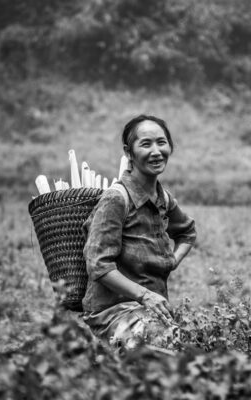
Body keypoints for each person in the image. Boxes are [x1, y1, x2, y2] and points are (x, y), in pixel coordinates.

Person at [81, 115, 196, 351]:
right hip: (111, 312)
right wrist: (145, 295)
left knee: (189, 347)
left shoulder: (163, 198)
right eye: (146, 144)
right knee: (161, 348)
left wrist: (172, 260)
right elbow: (99, 265)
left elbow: (187, 232)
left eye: (161, 142)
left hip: (149, 311)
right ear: (128, 152)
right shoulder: (116, 199)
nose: (156, 151)